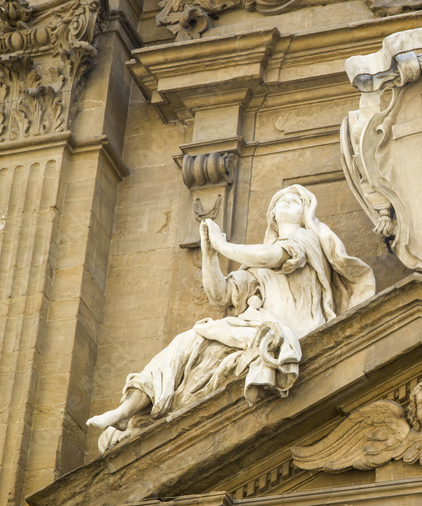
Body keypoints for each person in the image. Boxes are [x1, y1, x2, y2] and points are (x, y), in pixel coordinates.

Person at [87, 185, 375, 450]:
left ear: (305, 213)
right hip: (252, 327)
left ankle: (147, 418)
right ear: (272, 216)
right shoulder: (257, 266)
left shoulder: (306, 241)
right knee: (188, 340)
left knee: (208, 368)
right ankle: (127, 410)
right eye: (280, 201)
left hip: (290, 331)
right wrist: (209, 254)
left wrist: (224, 246)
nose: (287, 201)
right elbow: (220, 294)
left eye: (296, 201)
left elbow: (274, 256)